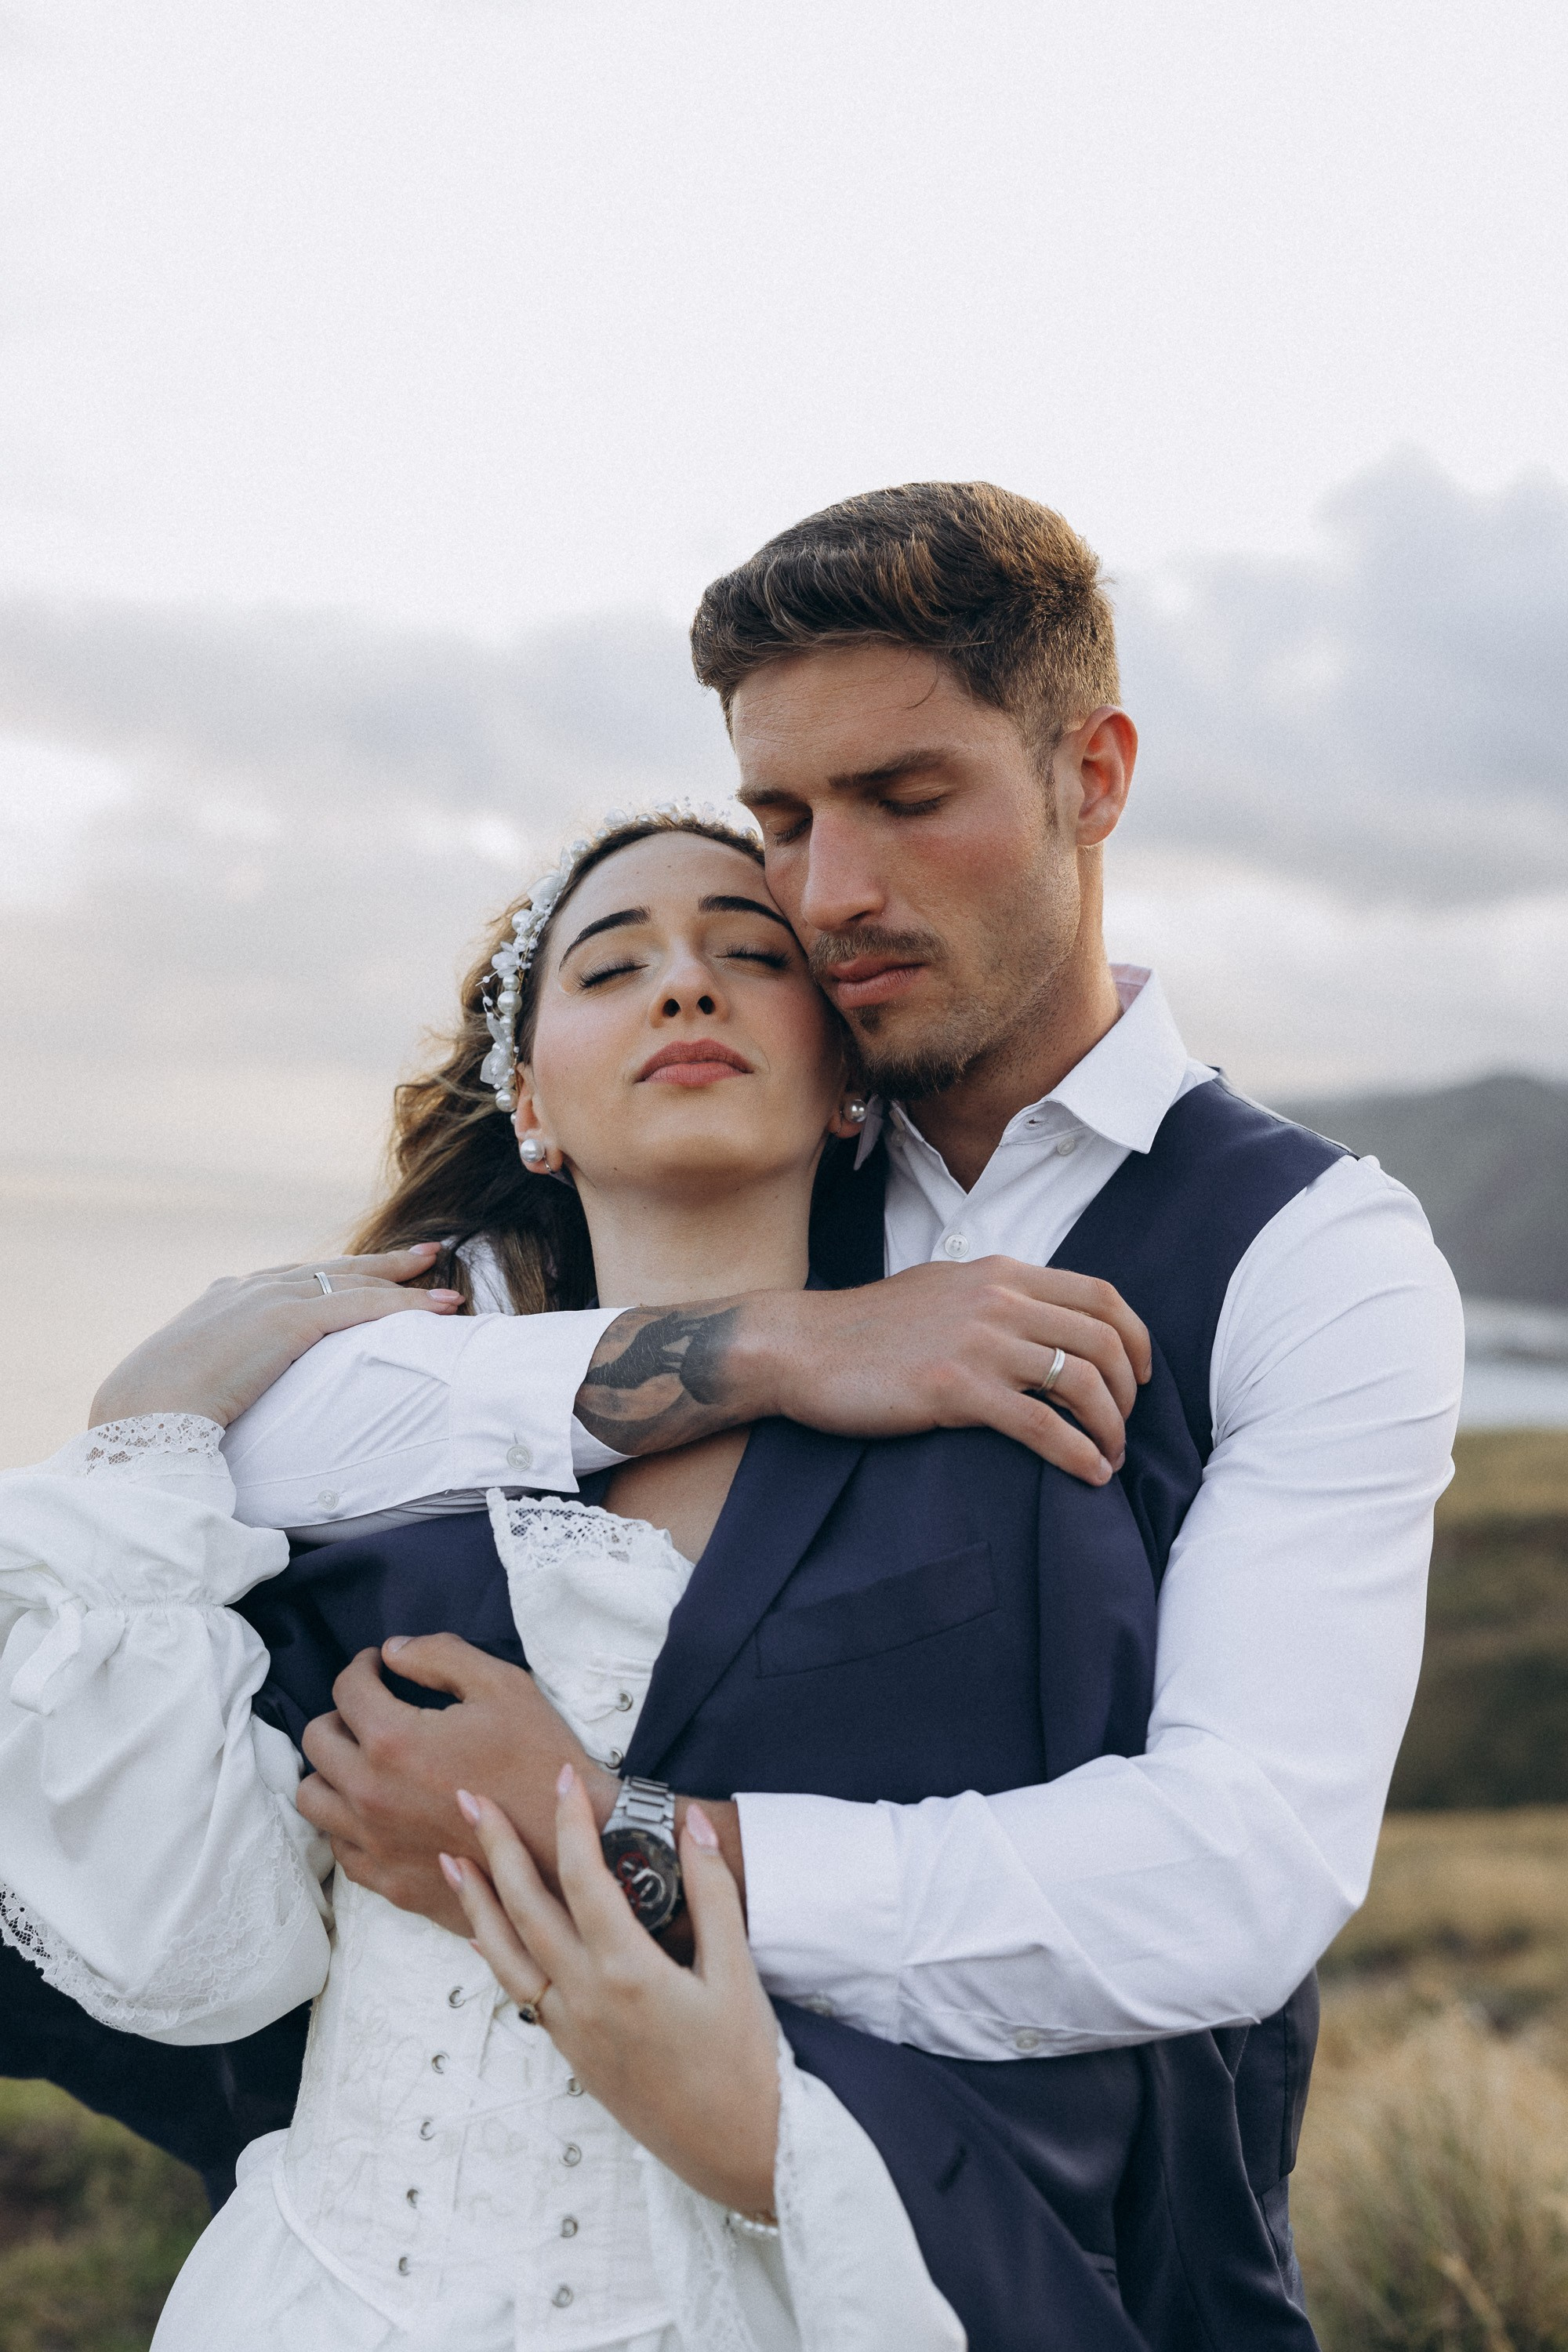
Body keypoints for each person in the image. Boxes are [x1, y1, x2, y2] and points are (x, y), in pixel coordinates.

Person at [217, 482, 1464, 2299]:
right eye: (782, 817)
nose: (827, 893)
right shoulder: (733, 1140)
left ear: (1091, 773)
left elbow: (1235, 1871)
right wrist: (781, 1344)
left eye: (905, 798)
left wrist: (611, 1844)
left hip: (1048, 2244)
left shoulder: (1311, 1254)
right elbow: (292, 1426)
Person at [2, 811, 1308, 2351]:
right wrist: (148, 1421)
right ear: (533, 1108)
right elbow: (183, 1945)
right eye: (613, 966)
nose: (684, 986)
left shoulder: (1012, 1466)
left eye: (751, 957)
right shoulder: (353, 1494)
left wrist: (755, 2117)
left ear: (843, 1089)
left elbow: (1120, 1997)